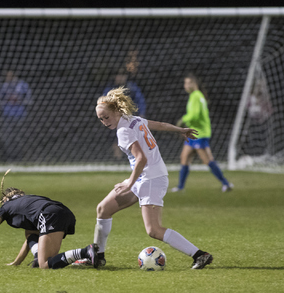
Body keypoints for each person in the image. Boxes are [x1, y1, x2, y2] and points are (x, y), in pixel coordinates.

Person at [76, 86, 213, 270]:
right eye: (100, 119)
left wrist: (129, 184)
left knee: (153, 230)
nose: (104, 122)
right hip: (144, 177)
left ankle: (200, 255)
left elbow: (142, 158)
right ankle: (97, 257)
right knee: (103, 209)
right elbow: (160, 125)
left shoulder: (123, 130)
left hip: (151, 179)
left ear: (116, 111)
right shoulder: (132, 120)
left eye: (106, 117)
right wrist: (179, 130)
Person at [0, 170, 100, 269]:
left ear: (4, 200)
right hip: (64, 212)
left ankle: (85, 252)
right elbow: (30, 236)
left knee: (45, 264)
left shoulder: (6, 207)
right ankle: (41, 258)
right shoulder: (29, 201)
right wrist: (17, 262)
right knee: (32, 235)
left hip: (48, 215)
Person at [171, 73, 233, 193]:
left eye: (188, 83)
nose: (186, 85)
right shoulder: (196, 96)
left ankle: (226, 183)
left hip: (200, 133)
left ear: (195, 84)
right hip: (194, 133)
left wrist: (183, 120)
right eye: (185, 83)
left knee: (207, 160)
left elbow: (195, 115)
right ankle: (180, 187)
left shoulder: (196, 96)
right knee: (184, 158)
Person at [0, 70, 32, 161]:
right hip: (7, 115)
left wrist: (20, 100)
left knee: (20, 137)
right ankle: (9, 158)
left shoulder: (22, 86)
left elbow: (29, 100)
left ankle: (21, 158)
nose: (8, 78)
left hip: (19, 115)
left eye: (10, 75)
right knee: (8, 137)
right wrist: (6, 101)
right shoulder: (3, 86)